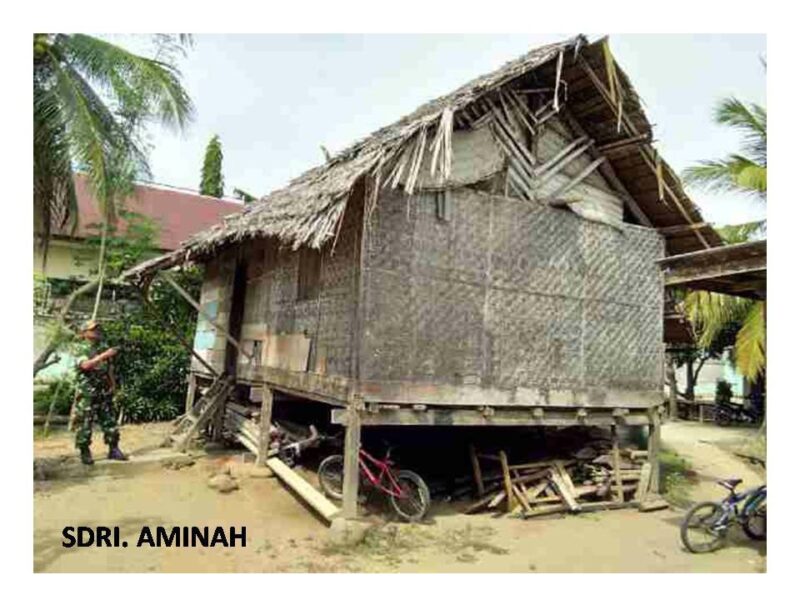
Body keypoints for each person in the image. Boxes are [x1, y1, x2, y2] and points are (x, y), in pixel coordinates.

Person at [74, 320, 128, 465]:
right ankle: (85, 451)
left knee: (109, 420)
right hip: (87, 393)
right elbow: (85, 365)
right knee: (85, 423)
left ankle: (114, 448)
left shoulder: (103, 347)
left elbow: (109, 369)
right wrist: (104, 355)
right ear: (85, 332)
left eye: (98, 329)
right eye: (93, 329)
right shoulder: (80, 348)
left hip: (104, 392)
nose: (97, 331)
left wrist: (113, 387)